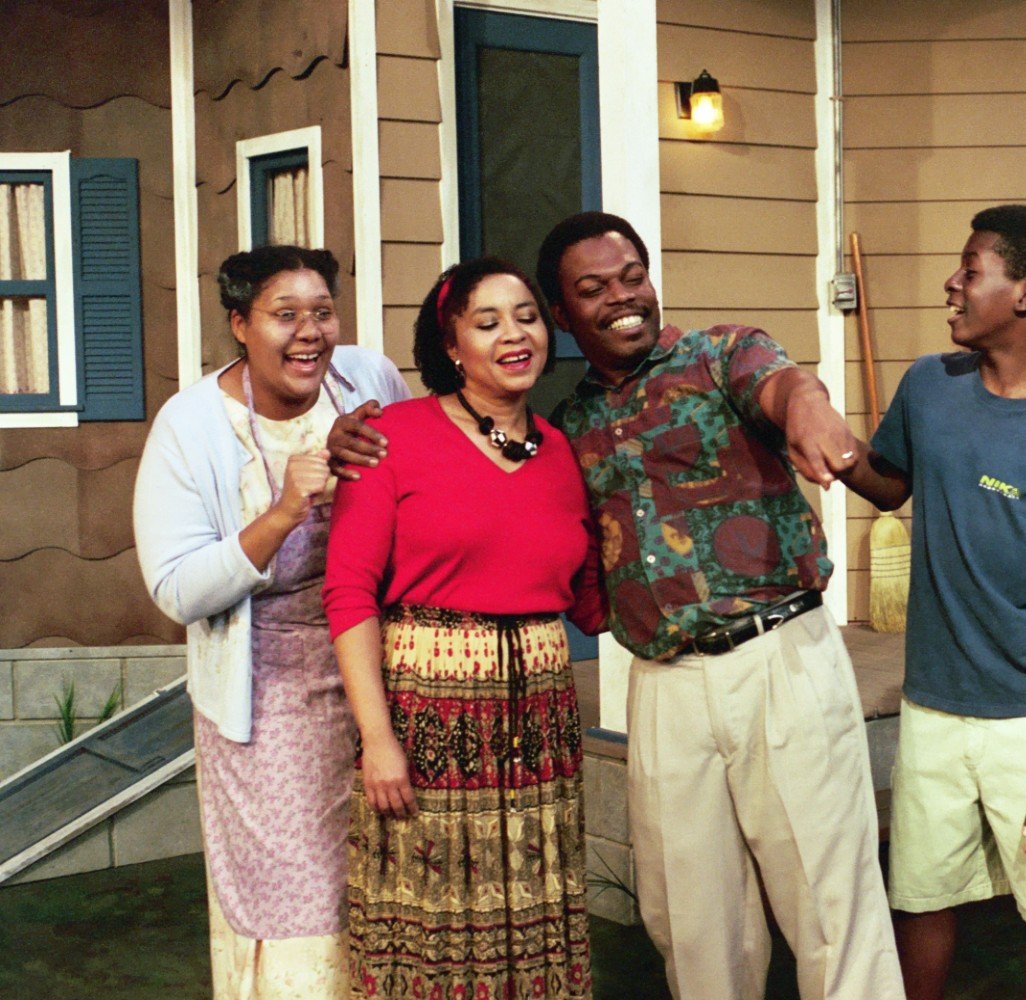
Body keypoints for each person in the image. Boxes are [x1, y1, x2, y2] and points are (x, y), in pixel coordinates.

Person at [330, 213, 903, 999]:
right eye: (592, 289)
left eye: (632, 275)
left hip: (778, 657)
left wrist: (809, 404)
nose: (622, 297)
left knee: (831, 901)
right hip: (662, 681)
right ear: (567, 316)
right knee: (693, 918)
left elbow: (783, 383)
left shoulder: (719, 355)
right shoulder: (567, 430)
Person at [835, 205, 1026, 999]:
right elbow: (891, 481)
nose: (953, 284)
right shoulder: (931, 386)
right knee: (923, 899)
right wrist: (835, 451)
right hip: (932, 708)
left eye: (971, 270)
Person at [133, 245, 410, 998]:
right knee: (300, 899)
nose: (309, 333)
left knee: (381, 887)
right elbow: (176, 588)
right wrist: (285, 510)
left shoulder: (369, 380)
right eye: (284, 316)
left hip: (373, 668)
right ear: (239, 325)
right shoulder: (191, 427)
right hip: (268, 696)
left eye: (321, 312)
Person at [322, 258, 603, 999]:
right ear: (451, 345)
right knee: (432, 919)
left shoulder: (561, 450)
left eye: (527, 317)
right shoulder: (391, 437)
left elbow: (589, 600)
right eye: (488, 323)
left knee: (537, 911)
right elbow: (349, 593)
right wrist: (378, 738)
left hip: (540, 718)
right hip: (429, 715)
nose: (515, 335)